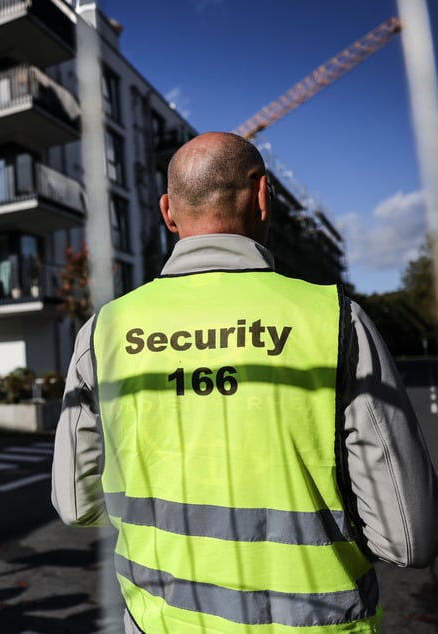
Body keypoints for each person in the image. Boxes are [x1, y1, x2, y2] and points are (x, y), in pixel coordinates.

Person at [51, 131, 438, 632]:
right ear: (262, 196)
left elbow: (76, 504)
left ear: (168, 213)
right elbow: (409, 539)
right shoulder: (334, 321)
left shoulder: (103, 333)